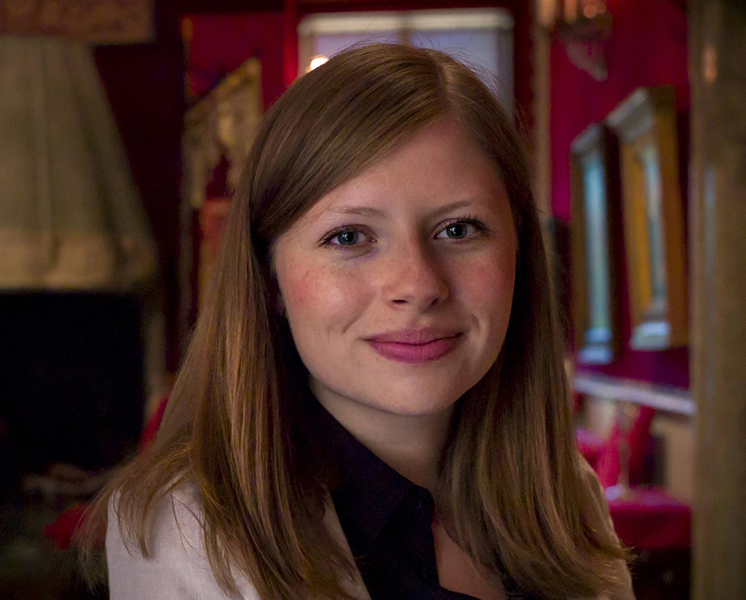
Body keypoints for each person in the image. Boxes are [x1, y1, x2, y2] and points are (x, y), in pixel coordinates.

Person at [77, 43, 633, 600]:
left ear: (521, 255)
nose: (417, 285)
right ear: (269, 280)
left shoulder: (568, 499)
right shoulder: (184, 529)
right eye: (349, 237)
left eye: (459, 229)